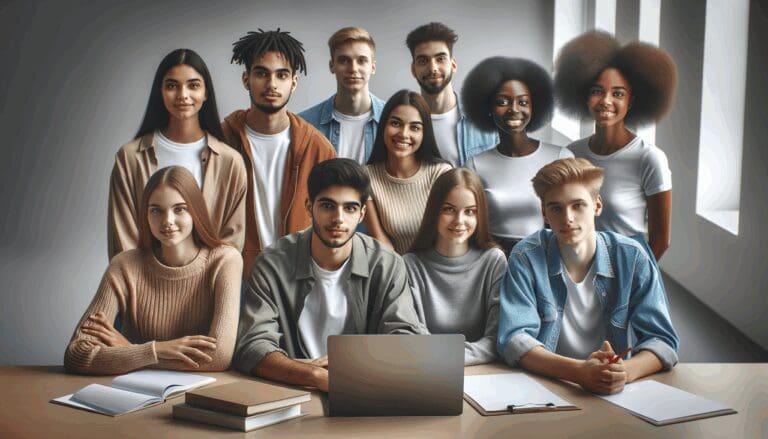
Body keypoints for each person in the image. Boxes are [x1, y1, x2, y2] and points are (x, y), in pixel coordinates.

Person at [233, 159, 423, 392]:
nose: (338, 219)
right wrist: (314, 375)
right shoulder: (272, 263)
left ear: (362, 213)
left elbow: (405, 338)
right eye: (327, 205)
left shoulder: (387, 264)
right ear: (309, 206)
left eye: (350, 208)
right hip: (292, 390)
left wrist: (351, 366)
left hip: (364, 387)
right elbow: (252, 345)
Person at [497, 158, 679, 395]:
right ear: (543, 213)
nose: (567, 218)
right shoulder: (526, 256)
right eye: (556, 208)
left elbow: (663, 340)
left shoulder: (632, 257)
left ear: (597, 205)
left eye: (578, 205)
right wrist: (579, 372)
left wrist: (624, 371)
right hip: (548, 387)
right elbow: (514, 339)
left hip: (614, 392)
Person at [66, 167, 242, 375]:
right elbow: (76, 354)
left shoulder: (225, 260)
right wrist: (156, 349)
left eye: (179, 209)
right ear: (145, 215)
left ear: (195, 210)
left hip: (200, 396)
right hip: (133, 394)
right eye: (156, 210)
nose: (167, 221)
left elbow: (218, 357)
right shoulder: (124, 265)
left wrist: (130, 351)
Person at [108, 48, 247, 259]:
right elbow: (123, 240)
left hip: (207, 287)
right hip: (142, 287)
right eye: (172, 85)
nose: (183, 95)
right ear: (160, 91)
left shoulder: (230, 162)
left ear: (206, 92)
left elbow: (231, 245)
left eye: (193, 85)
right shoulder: (130, 158)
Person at [554, 30, 677, 260]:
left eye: (618, 93)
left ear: (632, 101)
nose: (606, 101)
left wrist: (634, 282)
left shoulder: (649, 159)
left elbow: (661, 241)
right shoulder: (573, 153)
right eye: (597, 91)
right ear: (584, 96)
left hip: (629, 274)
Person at [221, 29, 336, 275]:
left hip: (298, 277)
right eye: (261, 73)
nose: (271, 84)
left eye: (281, 75)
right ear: (246, 79)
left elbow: (330, 220)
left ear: (293, 82)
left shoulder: (318, 148)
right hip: (235, 277)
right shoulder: (221, 141)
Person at [463, 56, 574, 253]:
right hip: (494, 260)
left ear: (535, 107)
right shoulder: (475, 165)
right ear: (488, 108)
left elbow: (573, 220)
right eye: (503, 101)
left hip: (548, 257)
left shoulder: (560, 157)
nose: (514, 109)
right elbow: (471, 227)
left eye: (523, 102)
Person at [404, 168, 506, 365]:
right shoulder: (410, 264)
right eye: (449, 209)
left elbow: (496, 338)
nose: (459, 221)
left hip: (485, 374)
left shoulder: (493, 261)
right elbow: (413, 334)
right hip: (427, 370)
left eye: (470, 212)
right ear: (435, 211)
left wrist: (449, 358)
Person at [363, 90, 452, 254]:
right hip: (396, 271)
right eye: (396, 123)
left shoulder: (441, 174)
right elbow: (382, 243)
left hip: (439, 269)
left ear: (424, 133)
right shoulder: (366, 177)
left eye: (415, 127)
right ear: (383, 125)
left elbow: (450, 239)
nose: (404, 134)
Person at [405, 22, 497, 166]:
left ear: (453, 65)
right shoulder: (403, 125)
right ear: (413, 69)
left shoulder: (485, 119)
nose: (433, 68)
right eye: (423, 61)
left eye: (440, 59)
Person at [299, 26, 384, 164]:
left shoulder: (392, 121)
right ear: (332, 66)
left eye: (361, 60)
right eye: (344, 60)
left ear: (373, 67)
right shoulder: (305, 124)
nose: (353, 69)